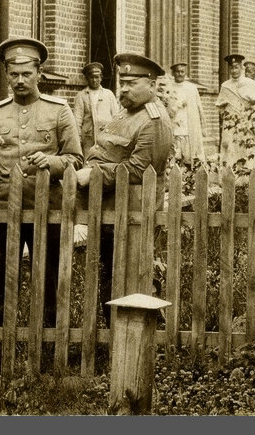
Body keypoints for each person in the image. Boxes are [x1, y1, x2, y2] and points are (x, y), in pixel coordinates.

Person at [0, 38, 82, 341]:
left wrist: (51, 161)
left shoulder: (59, 111)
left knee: (47, 278)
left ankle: (47, 342)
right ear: (7, 75)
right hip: (2, 209)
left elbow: (76, 158)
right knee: (0, 277)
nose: (20, 81)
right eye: (13, 74)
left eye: (26, 74)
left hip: (46, 208)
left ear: (39, 73)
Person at [76, 53, 174, 318]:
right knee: (112, 278)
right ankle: (114, 341)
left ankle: (139, 339)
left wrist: (92, 175)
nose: (125, 88)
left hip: (133, 216)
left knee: (130, 282)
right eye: (123, 82)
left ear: (152, 85)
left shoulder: (153, 121)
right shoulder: (128, 112)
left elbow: (140, 170)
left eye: (132, 82)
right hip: (113, 212)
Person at [216, 53, 255, 167]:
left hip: (246, 122)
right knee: (231, 146)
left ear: (241, 68)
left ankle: (248, 178)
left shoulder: (249, 83)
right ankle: (230, 177)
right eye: (232, 68)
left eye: (236, 67)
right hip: (231, 123)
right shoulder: (225, 86)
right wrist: (226, 118)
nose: (234, 71)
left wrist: (254, 112)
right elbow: (220, 106)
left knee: (247, 148)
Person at [72, 61, 120, 153]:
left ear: (101, 78)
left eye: (97, 77)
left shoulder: (109, 94)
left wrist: (115, 136)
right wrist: (78, 139)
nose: (94, 80)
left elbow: (116, 117)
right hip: (88, 138)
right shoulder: (81, 96)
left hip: (106, 137)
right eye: (91, 78)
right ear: (87, 78)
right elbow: (77, 120)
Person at [170, 62, 205, 167]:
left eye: (182, 71)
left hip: (188, 126)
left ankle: (189, 179)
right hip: (174, 126)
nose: (180, 74)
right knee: (174, 156)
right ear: (173, 73)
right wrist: (177, 105)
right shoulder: (169, 88)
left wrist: (203, 126)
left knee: (189, 157)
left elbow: (199, 107)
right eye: (177, 71)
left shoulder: (191, 88)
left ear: (185, 73)